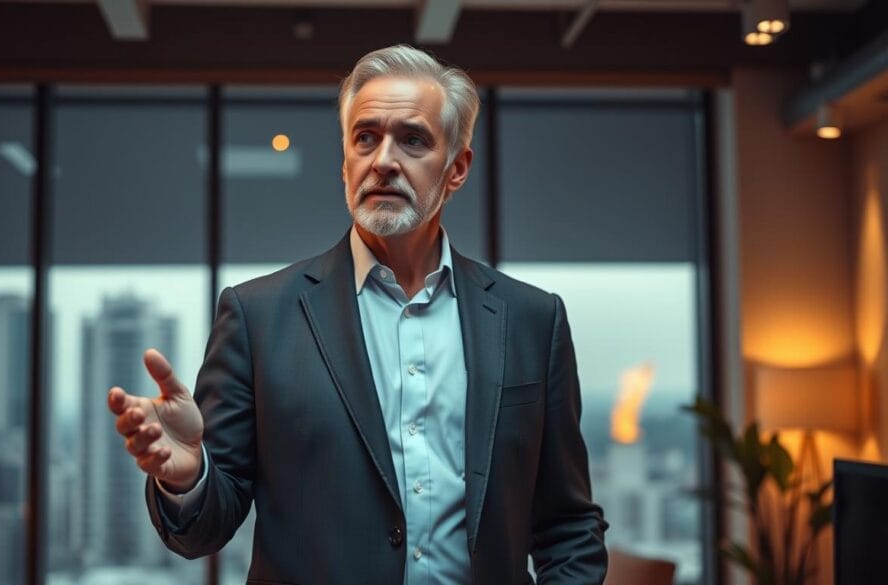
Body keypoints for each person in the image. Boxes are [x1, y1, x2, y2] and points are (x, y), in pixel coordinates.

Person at [107, 44, 608, 584]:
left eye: (413, 139)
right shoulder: (258, 317)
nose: (384, 160)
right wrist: (189, 477)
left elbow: (568, 526)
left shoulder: (533, 319)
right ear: (345, 163)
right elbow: (205, 530)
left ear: (457, 168)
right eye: (365, 137)